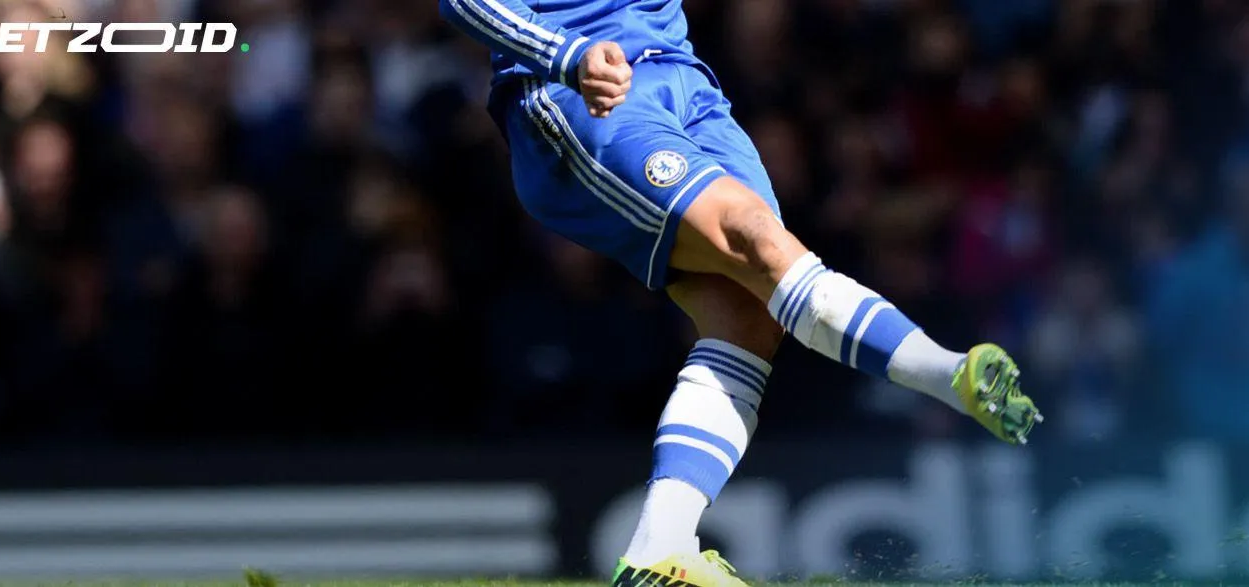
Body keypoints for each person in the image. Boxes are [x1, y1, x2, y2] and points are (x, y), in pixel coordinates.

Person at [437, 2, 1042, 585]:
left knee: (750, 315)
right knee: (757, 242)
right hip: (591, 89)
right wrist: (566, 54)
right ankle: (950, 376)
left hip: (690, 89)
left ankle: (659, 550)